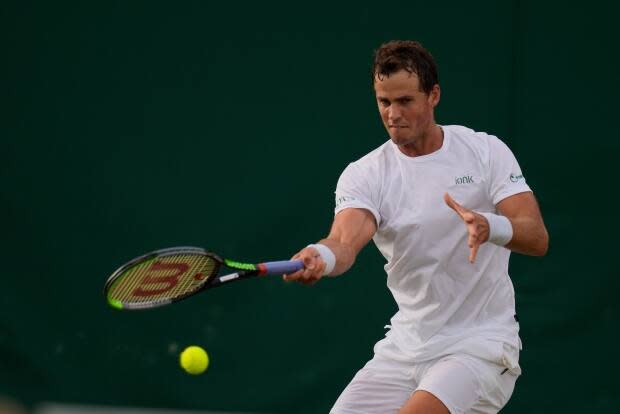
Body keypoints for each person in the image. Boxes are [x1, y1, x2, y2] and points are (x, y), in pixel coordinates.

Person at [283, 40, 549, 414]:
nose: (393, 113)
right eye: (383, 102)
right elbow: (344, 239)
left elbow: (536, 237)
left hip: (479, 346)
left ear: (433, 95)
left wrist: (491, 226)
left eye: (405, 101)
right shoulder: (366, 174)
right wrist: (322, 257)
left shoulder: (486, 151)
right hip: (407, 347)